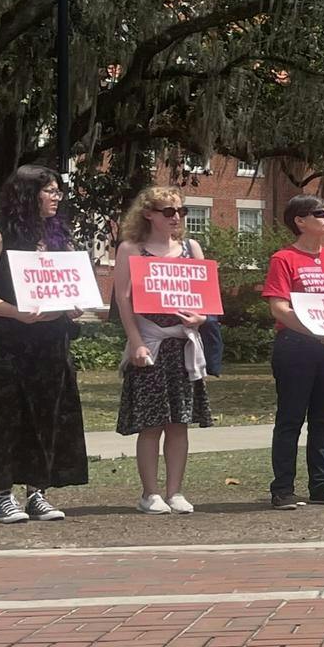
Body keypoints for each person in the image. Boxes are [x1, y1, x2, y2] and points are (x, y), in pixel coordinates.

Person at [0, 166, 88, 523]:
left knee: (46, 415)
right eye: (49, 190)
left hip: (50, 343)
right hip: (4, 345)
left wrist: (74, 305)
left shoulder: (61, 238)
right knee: (4, 418)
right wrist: (13, 312)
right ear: (26, 194)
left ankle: (37, 492)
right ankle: (3, 496)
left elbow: (70, 287)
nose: (56, 197)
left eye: (58, 191)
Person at [111, 185, 215, 514]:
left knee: (179, 422)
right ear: (149, 214)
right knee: (151, 423)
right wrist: (137, 343)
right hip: (150, 343)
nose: (176, 218)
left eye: (181, 211)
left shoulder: (191, 248)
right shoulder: (131, 249)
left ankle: (176, 491)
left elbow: (206, 295)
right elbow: (124, 301)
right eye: (168, 212)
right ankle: (150, 493)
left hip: (183, 345)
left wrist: (202, 317)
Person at [263, 193, 324, 509]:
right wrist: (318, 332)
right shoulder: (283, 259)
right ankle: (283, 489)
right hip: (296, 346)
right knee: (290, 418)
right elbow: (279, 308)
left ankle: (321, 485)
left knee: (322, 419)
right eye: (319, 213)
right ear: (300, 221)